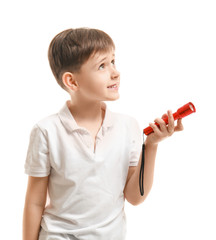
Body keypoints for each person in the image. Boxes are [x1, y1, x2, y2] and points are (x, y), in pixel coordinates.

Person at [23, 28, 184, 240]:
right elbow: (34, 202)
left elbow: (135, 197)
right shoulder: (46, 131)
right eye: (101, 66)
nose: (115, 72)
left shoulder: (128, 126)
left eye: (113, 62)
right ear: (72, 81)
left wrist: (151, 145)